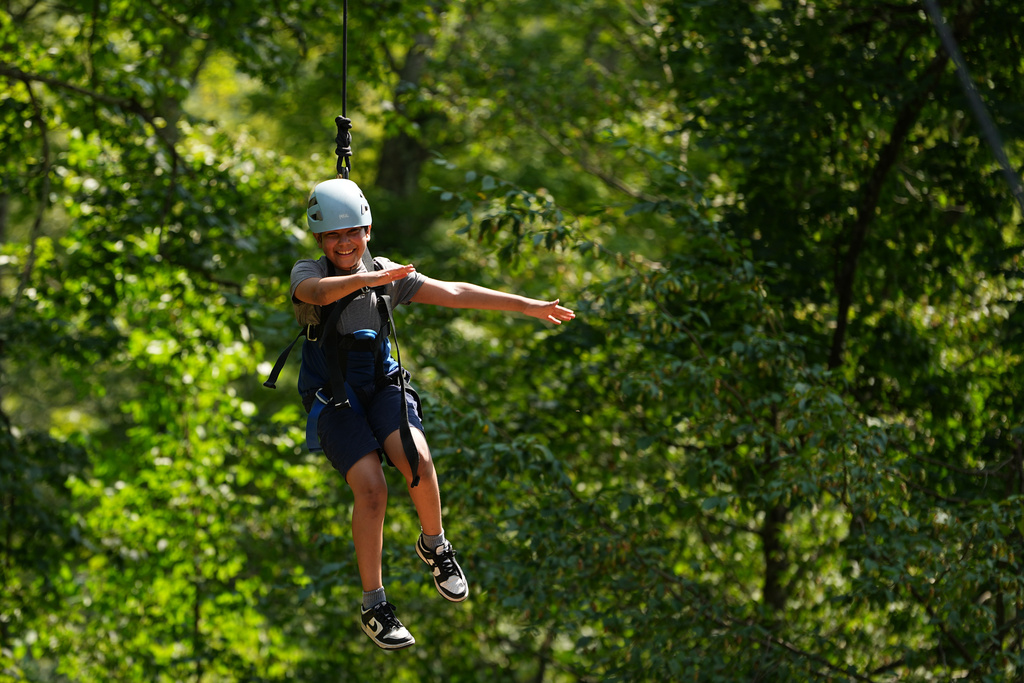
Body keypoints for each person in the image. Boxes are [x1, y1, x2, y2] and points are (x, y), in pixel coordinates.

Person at [289, 178, 575, 650]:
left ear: (367, 230)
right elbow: (316, 295)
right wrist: (368, 279)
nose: (345, 243)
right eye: (334, 237)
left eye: (353, 233)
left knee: (417, 460)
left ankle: (435, 545)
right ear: (320, 240)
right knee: (371, 488)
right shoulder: (310, 271)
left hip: (382, 385)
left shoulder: (388, 275)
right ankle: (375, 605)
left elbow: (457, 292)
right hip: (333, 396)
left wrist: (526, 305)